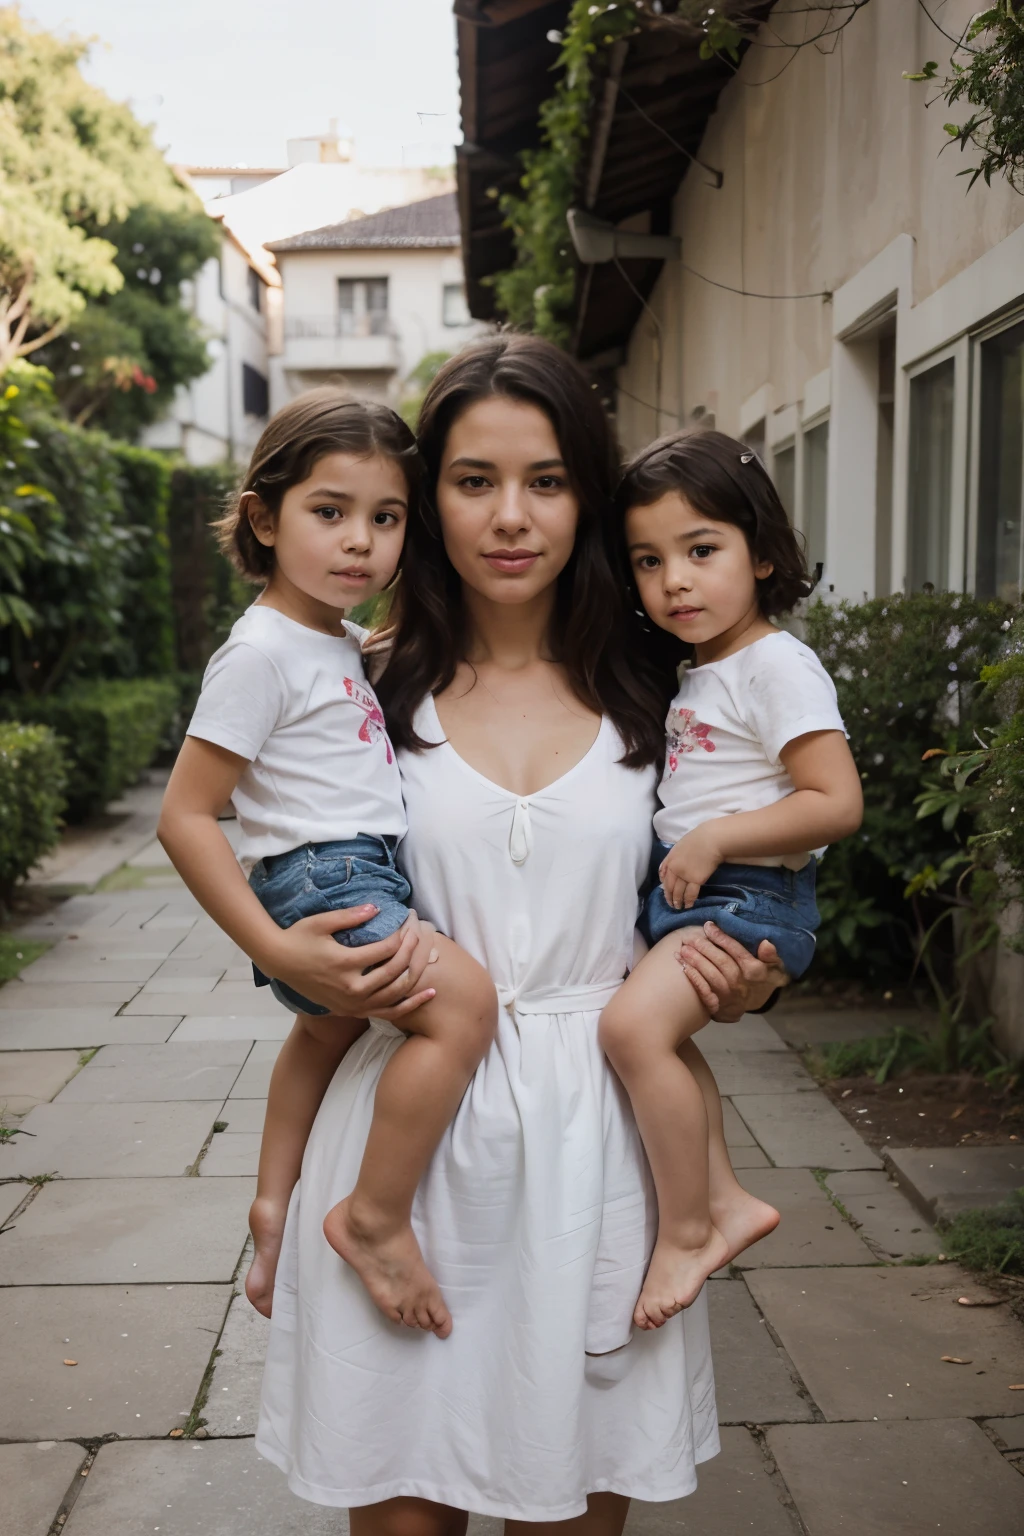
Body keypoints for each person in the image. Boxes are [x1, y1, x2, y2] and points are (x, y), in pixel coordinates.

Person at [253, 337, 788, 1530]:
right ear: (423, 495)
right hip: (405, 1157)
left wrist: (743, 979)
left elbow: (747, 897)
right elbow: (314, 939)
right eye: (472, 479)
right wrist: (277, 1190)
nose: (510, 517)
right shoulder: (352, 694)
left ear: (587, 494)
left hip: (594, 1167)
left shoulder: (673, 692)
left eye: (545, 480)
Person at [157, 390, 497, 1340]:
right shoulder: (259, 653)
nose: (361, 542)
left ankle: (274, 1206)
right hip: (328, 879)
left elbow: (376, 657)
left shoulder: (335, 642)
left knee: (326, 1034)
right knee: (464, 1007)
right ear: (264, 519)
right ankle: (375, 1218)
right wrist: (273, 945)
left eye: (386, 519)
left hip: (364, 869)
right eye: (329, 512)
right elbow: (185, 815)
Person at [599, 430, 863, 1331]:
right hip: (707, 893)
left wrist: (714, 837)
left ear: (761, 551)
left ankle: (688, 1229)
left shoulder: (775, 664)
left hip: (750, 892)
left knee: (632, 1031)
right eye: (648, 560)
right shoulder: (700, 673)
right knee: (663, 1044)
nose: (675, 579)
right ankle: (724, 1198)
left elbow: (836, 802)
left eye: (701, 550)